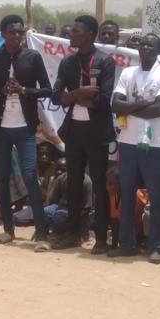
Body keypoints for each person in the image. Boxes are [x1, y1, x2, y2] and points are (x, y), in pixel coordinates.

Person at [0, 15, 52, 249]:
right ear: (3, 34)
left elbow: (48, 90)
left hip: (25, 128)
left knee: (30, 176)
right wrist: (1, 90)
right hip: (1, 129)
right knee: (1, 178)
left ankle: (41, 234)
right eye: (13, 32)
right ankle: (8, 230)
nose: (18, 36)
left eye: (20, 32)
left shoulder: (32, 57)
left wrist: (24, 90)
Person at [50, 15, 116, 252]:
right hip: (74, 131)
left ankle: (100, 238)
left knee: (98, 184)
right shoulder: (68, 63)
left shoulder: (105, 62)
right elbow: (57, 97)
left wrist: (74, 98)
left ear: (89, 35)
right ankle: (74, 233)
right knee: (74, 184)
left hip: (97, 132)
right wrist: (80, 92)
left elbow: (103, 100)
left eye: (76, 31)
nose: (71, 35)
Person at [109, 33, 160, 264]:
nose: (145, 48)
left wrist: (129, 108)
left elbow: (159, 109)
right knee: (126, 195)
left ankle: (156, 246)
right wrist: (141, 104)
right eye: (142, 44)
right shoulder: (128, 73)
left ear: (158, 49)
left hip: (154, 144)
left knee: (157, 198)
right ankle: (127, 244)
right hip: (127, 142)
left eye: (151, 45)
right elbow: (115, 105)